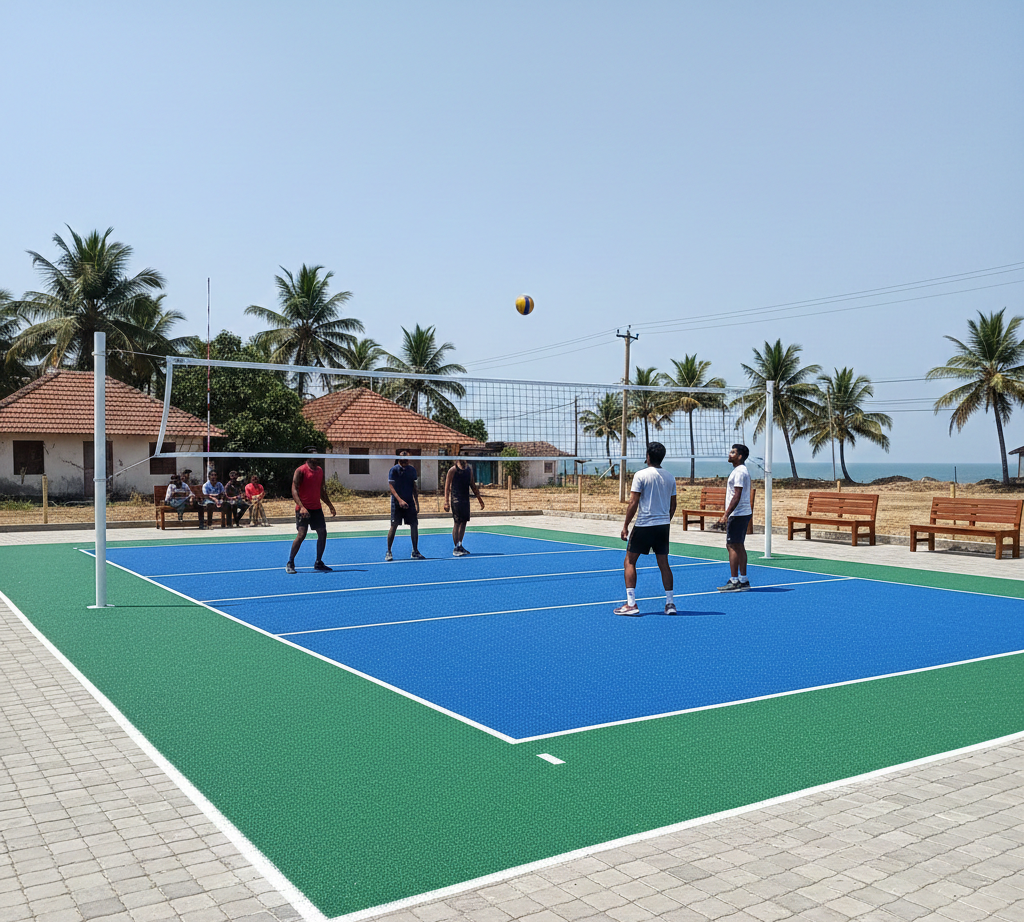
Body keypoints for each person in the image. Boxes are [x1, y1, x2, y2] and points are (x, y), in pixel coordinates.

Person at [614, 442, 678, 616]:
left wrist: (625, 526)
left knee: (629, 561)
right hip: (662, 526)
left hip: (644, 525)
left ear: (648, 456)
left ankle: (631, 604)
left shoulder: (640, 475)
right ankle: (670, 604)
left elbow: (633, 502)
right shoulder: (670, 477)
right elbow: (673, 505)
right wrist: (665, 520)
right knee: (664, 564)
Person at [287, 448, 336, 574]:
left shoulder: (320, 471)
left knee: (323, 533)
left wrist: (330, 505)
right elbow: (294, 490)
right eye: (314, 455)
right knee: (302, 534)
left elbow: (321, 491)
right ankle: (290, 562)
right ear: (308, 456)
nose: (317, 457)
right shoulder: (300, 471)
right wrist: (302, 507)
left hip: (316, 508)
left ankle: (318, 562)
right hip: (303, 509)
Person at [718, 443, 753, 591]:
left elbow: (737, 495)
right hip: (742, 513)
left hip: (738, 514)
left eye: (733, 452)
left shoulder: (739, 472)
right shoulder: (740, 470)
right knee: (738, 545)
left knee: (732, 545)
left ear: (740, 456)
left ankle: (734, 580)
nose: (729, 454)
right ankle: (743, 580)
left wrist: (726, 514)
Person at [386, 451, 425, 561]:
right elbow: (391, 487)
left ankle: (415, 551)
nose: (405, 461)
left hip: (409, 502)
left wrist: (417, 502)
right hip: (397, 503)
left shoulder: (412, 470)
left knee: (414, 525)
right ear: (399, 459)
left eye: (407, 459)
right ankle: (389, 551)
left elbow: (414, 486)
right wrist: (400, 500)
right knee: (394, 525)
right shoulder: (393, 470)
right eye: (403, 459)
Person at [443, 458, 484, 556]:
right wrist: (446, 502)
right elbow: (447, 487)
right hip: (456, 500)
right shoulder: (453, 470)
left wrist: (480, 499)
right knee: (457, 522)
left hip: (465, 499)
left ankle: (460, 545)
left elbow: (473, 485)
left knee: (464, 522)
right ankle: (456, 547)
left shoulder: (469, 470)